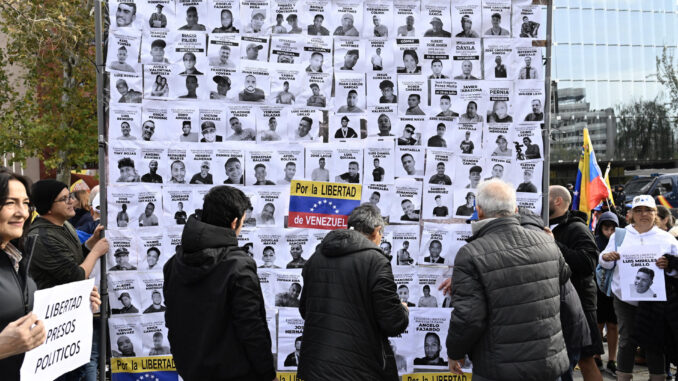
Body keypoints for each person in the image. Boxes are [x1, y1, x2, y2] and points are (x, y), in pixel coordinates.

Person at [445, 179, 569, 378]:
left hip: (499, 369)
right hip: (547, 362)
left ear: (480, 211)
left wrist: (455, 352)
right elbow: (563, 275)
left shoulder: (470, 254)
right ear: (515, 209)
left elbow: (469, 317)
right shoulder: (546, 241)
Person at [163, 186, 276, 380]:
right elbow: (251, 328)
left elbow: (172, 321)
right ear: (234, 223)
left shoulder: (174, 264)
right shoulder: (239, 266)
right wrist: (268, 374)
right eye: (243, 222)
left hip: (193, 372)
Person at [297, 204, 409, 380]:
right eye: (381, 235)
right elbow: (393, 323)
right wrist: (403, 310)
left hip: (315, 368)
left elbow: (305, 310)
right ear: (376, 231)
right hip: (358, 369)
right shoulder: (376, 261)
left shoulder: (316, 257)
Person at [26, 179, 106, 380]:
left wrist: (90, 243)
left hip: (72, 320)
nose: (72, 201)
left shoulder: (64, 226)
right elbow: (76, 276)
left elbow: (74, 258)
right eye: (64, 199)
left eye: (69, 196)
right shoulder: (43, 237)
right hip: (53, 329)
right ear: (48, 208)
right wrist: (96, 252)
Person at [598, 195, 678, 380]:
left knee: (655, 340)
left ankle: (657, 376)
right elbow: (604, 262)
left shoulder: (666, 238)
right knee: (627, 340)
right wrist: (607, 258)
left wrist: (670, 265)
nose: (643, 214)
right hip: (624, 298)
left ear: (655, 213)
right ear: (631, 214)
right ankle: (624, 376)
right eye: (638, 210)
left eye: (648, 210)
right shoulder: (621, 235)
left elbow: (676, 270)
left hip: (655, 299)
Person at [548, 185, 604, 381]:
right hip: (556, 304)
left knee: (586, 359)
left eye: (546, 195)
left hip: (580, 304)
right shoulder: (543, 226)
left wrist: (554, 244)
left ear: (558, 201)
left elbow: (589, 263)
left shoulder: (577, 228)